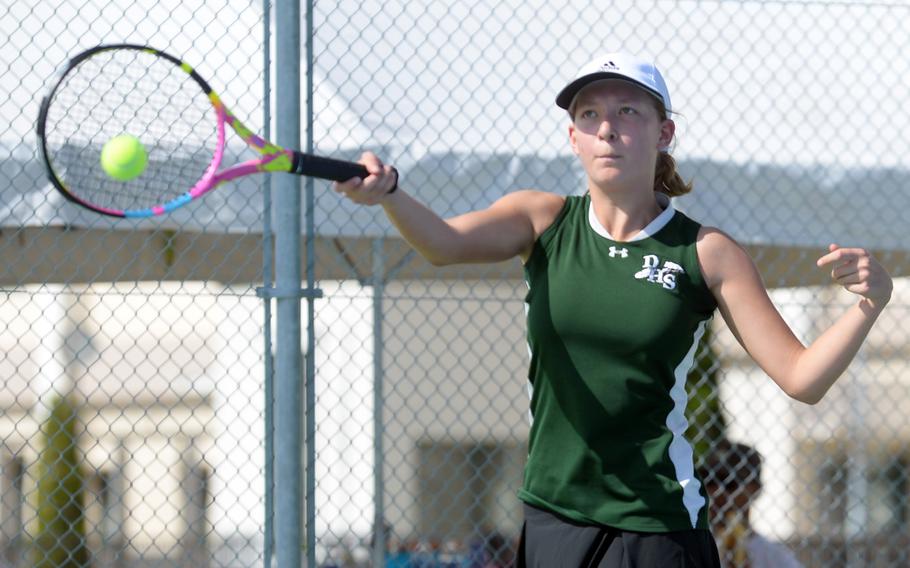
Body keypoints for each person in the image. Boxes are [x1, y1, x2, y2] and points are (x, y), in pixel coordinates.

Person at [334, 52, 893, 567]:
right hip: (554, 515)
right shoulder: (543, 218)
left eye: (627, 111)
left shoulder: (707, 252)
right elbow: (442, 243)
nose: (607, 128)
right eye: (589, 113)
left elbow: (801, 378)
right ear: (572, 137)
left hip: (660, 525)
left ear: (664, 132)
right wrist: (390, 195)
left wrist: (870, 305)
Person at [699, 441, 803, 568]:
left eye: (729, 483)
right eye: (710, 482)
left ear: (755, 489)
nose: (716, 491)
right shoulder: (692, 547)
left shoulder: (775, 558)